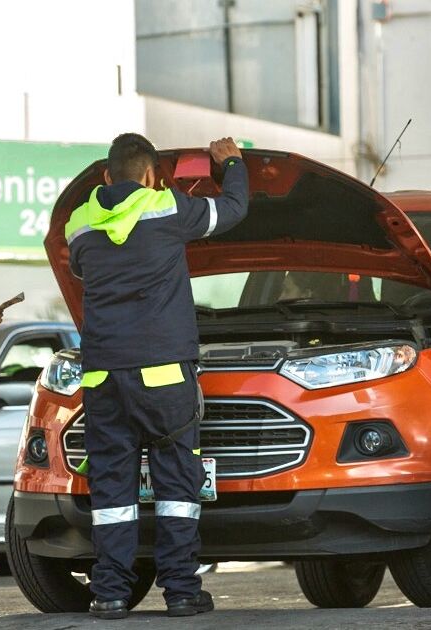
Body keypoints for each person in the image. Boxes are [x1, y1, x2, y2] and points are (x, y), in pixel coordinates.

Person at [66, 133, 249, 619]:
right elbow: (232, 210)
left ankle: (110, 593)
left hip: (102, 377)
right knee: (176, 483)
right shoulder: (166, 207)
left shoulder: (79, 223)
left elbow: (81, 269)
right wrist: (232, 165)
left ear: (107, 176)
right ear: (150, 176)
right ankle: (181, 592)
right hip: (164, 376)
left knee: (111, 489)